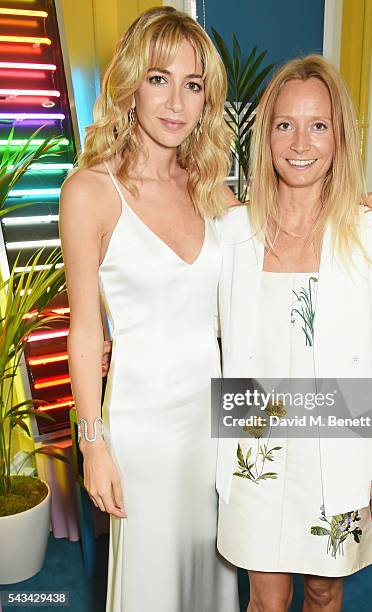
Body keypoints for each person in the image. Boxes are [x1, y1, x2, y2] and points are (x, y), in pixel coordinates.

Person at [59, 7, 239, 612]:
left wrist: (363, 212)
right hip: (143, 426)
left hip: (217, 420)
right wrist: (93, 445)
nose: (176, 102)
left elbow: (290, 241)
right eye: (160, 78)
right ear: (131, 83)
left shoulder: (213, 188)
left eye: (194, 85)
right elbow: (85, 333)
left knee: (212, 572)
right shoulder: (90, 192)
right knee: (153, 587)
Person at [216, 55, 372, 612]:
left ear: (338, 136)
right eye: (285, 124)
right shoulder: (232, 231)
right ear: (266, 136)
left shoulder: (371, 234)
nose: (300, 142)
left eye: (318, 125)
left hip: (338, 447)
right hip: (255, 444)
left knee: (323, 594)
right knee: (265, 600)